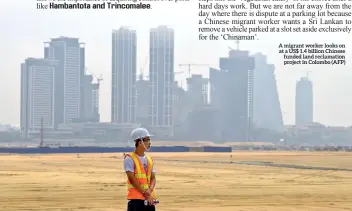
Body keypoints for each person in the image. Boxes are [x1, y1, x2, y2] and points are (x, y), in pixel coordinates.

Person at [124, 128, 158, 211]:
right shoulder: (130, 158)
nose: (149, 143)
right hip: (136, 201)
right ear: (140, 142)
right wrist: (145, 193)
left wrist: (150, 191)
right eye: (147, 140)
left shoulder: (149, 159)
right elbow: (132, 179)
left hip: (149, 200)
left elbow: (153, 178)